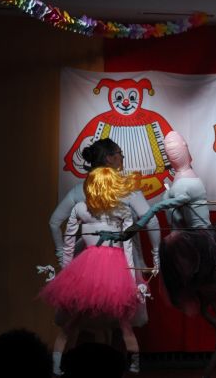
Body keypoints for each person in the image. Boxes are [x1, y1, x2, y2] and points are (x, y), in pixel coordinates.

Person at [124, 130, 216, 377]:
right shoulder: (180, 181)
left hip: (200, 244)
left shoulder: (189, 182)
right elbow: (173, 211)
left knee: (214, 297)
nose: (172, 153)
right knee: (204, 302)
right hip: (186, 242)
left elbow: (175, 206)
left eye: (174, 149)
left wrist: (154, 209)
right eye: (169, 150)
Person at [40, 167, 144, 375]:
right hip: (112, 269)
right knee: (123, 322)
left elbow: (69, 244)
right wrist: (131, 279)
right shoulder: (119, 210)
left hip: (90, 268)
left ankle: (57, 364)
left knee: (73, 321)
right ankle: (134, 364)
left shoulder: (82, 208)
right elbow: (127, 247)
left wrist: (67, 272)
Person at [48, 138, 160, 327]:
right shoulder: (126, 189)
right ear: (109, 158)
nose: (122, 157)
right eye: (120, 154)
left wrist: (62, 256)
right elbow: (152, 220)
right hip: (121, 256)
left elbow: (54, 223)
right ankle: (121, 346)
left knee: (79, 317)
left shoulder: (79, 190)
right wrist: (156, 253)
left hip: (85, 260)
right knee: (123, 320)